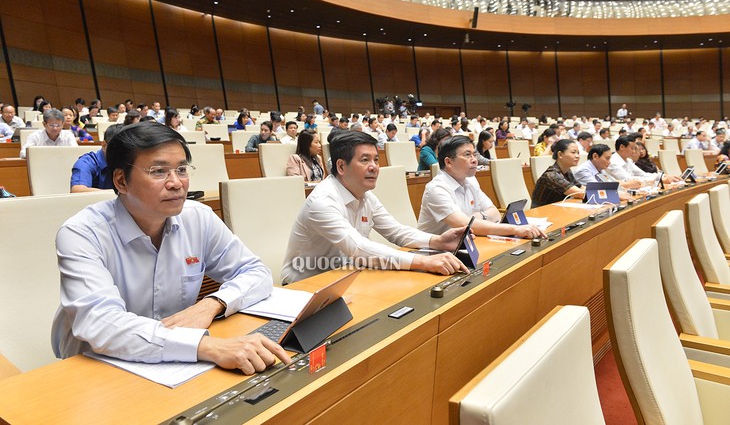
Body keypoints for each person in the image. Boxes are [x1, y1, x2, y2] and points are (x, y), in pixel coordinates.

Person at [52, 123, 290, 373]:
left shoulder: (198, 217)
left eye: (182, 170)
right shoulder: (82, 233)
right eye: (159, 171)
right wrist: (207, 347)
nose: (176, 183)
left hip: (175, 365)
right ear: (121, 181)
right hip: (97, 368)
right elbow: (101, 324)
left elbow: (255, 272)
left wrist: (212, 303)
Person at [281, 131, 469, 284]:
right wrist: (424, 261)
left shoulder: (366, 196)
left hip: (344, 277)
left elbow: (396, 231)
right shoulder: (322, 202)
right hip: (305, 286)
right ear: (341, 166)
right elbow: (359, 248)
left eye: (376, 160)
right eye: (365, 160)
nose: (374, 167)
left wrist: (438, 241)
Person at [418, 136, 546, 239]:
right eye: (467, 155)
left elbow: (494, 212)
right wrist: (516, 229)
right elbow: (466, 225)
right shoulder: (437, 189)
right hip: (433, 253)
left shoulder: (470, 180)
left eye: (474, 154)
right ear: (448, 162)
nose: (474, 160)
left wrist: (475, 217)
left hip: (464, 244)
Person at [531, 139, 585, 208]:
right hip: (541, 213)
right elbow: (579, 194)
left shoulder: (567, 171)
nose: (577, 156)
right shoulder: (551, 175)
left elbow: (580, 187)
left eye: (578, 153)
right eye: (573, 152)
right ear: (560, 154)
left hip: (558, 209)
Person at [70, 124, 124, 192]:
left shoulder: (132, 161)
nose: (123, 153)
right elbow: (78, 190)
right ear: (104, 145)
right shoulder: (87, 162)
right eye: (118, 149)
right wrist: (119, 195)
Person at [573, 144, 640, 195]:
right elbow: (599, 189)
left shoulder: (600, 169)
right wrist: (628, 184)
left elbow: (613, 182)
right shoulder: (583, 170)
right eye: (607, 158)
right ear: (595, 156)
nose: (609, 162)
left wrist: (631, 183)